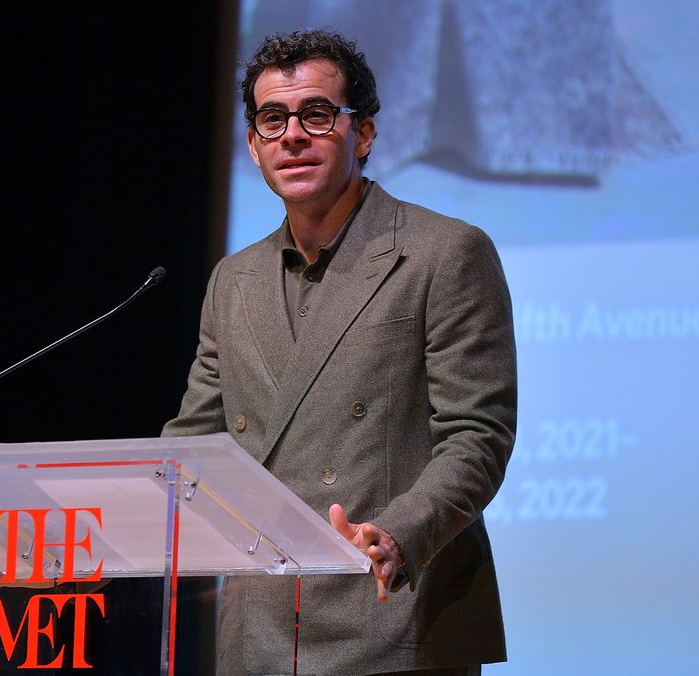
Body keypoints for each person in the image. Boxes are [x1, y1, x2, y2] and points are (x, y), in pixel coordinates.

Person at [158, 29, 517, 675]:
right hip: (262, 629)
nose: (293, 135)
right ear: (253, 144)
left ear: (365, 133)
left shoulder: (444, 253)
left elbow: (476, 435)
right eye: (273, 119)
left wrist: (400, 534)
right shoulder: (233, 281)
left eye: (316, 114)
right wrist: (64, 552)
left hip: (393, 613)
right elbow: (193, 451)